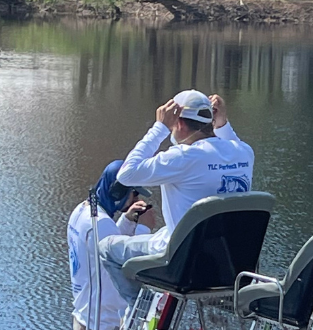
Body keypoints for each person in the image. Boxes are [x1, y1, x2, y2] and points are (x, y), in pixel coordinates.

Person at [100, 90, 255, 300]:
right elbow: (232, 143)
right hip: (229, 263)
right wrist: (223, 124)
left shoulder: (183, 157)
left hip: (184, 263)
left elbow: (126, 174)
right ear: (212, 121)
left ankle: (136, 315)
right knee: (165, 232)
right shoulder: (245, 153)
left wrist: (159, 128)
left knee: (107, 248)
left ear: (179, 124)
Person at [67, 160, 156, 330]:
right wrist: (145, 229)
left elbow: (103, 248)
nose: (137, 200)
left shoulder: (82, 212)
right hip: (101, 326)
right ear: (118, 192)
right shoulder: (101, 224)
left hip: (87, 318)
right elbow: (124, 260)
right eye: (134, 193)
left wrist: (128, 220)